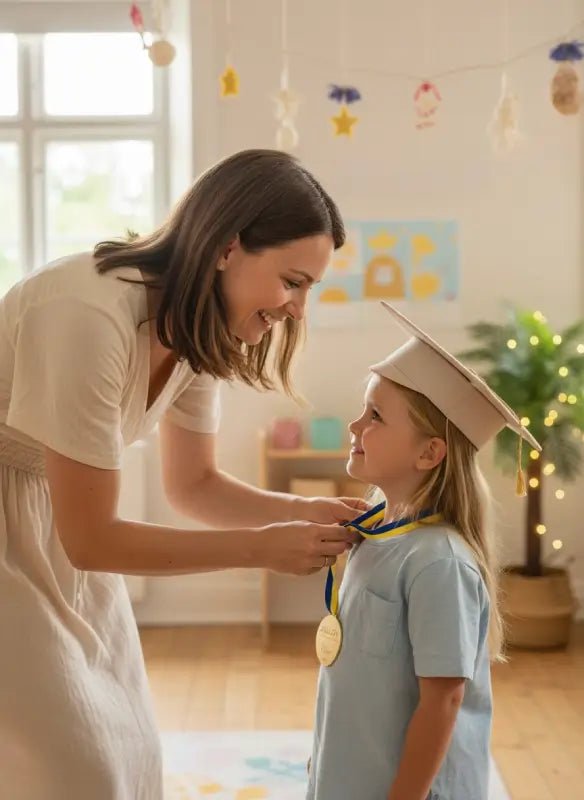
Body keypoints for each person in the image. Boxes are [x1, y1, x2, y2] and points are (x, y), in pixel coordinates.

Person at [0, 149, 363, 800]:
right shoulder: (86, 313)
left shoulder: (198, 332)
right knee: (71, 766)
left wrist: (306, 516)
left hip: (60, 525)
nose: (298, 309)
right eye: (293, 281)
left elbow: (194, 487)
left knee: (129, 744)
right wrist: (260, 549)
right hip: (28, 529)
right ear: (228, 247)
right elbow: (94, 539)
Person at [307, 301, 541, 800]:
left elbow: (444, 700)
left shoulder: (439, 562)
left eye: (374, 416)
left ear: (429, 452)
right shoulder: (375, 536)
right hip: (357, 776)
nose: (354, 427)